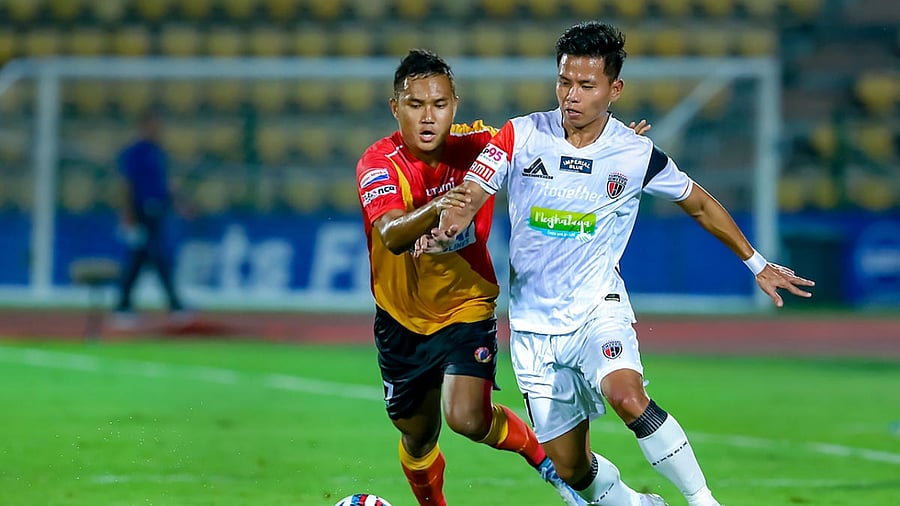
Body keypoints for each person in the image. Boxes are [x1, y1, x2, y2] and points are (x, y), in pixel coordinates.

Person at [419, 22, 816, 506]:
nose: (572, 95)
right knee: (573, 469)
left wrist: (757, 263)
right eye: (565, 82)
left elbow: (699, 203)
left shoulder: (633, 153)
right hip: (533, 327)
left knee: (627, 395)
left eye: (587, 86)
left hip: (596, 309)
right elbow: (474, 192)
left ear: (614, 89)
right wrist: (451, 223)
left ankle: (704, 500)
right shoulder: (520, 136)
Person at [355, 49, 650, 506]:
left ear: (455, 105)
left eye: (439, 105)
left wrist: (609, 146)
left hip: (468, 305)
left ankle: (547, 464)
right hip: (401, 317)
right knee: (417, 436)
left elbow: (561, 142)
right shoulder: (379, 163)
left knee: (467, 418)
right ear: (396, 109)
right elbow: (392, 235)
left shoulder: (483, 145)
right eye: (415, 105)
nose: (428, 117)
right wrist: (442, 204)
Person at [113, 109, 187, 326]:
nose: (158, 130)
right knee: (157, 258)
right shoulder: (135, 153)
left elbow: (164, 185)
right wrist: (128, 214)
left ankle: (124, 307)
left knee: (140, 260)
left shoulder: (157, 152)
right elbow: (127, 185)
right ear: (144, 126)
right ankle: (174, 305)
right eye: (154, 125)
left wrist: (178, 203)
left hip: (157, 212)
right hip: (142, 212)